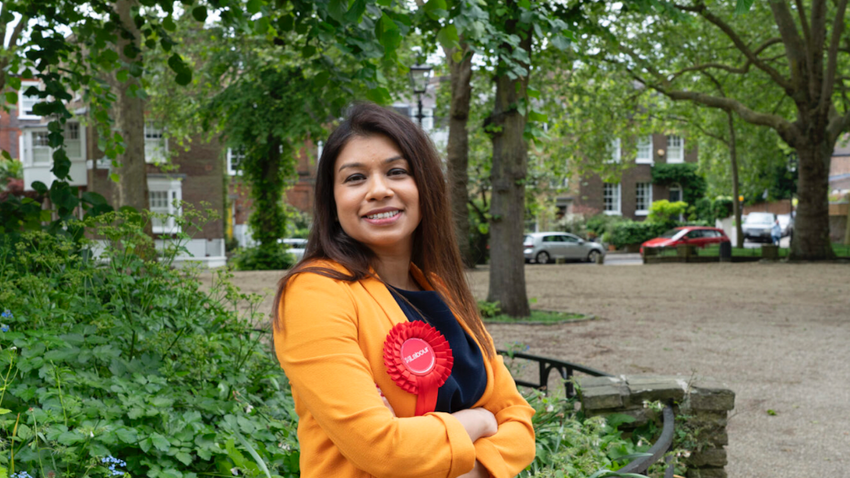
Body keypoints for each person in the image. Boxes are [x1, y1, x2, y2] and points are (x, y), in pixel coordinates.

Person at [272, 103, 536, 478]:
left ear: (424, 187)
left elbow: (519, 420)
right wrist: (477, 421)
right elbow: (381, 448)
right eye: (355, 178)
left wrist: (466, 469)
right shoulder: (315, 293)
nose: (379, 190)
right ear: (331, 204)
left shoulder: (442, 290)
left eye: (397, 172)